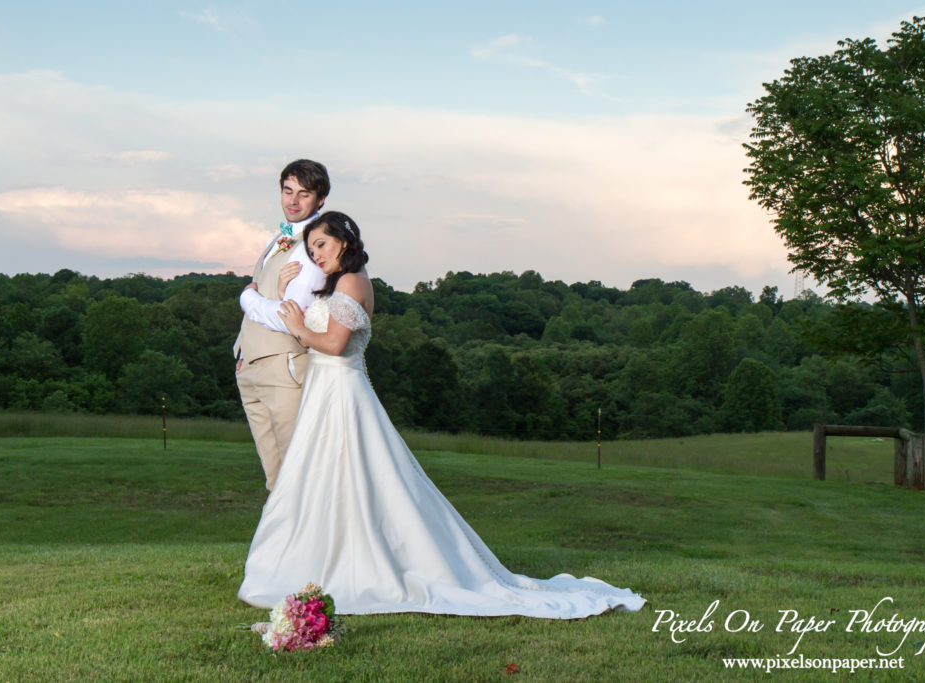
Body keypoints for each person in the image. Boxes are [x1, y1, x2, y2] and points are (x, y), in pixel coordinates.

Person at [237, 211, 645, 618]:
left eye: (321, 245)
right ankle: (318, 558)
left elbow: (336, 343)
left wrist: (297, 327)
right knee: (322, 478)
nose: (317, 255)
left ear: (343, 240)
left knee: (356, 477)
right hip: (323, 393)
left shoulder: (353, 281)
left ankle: (362, 561)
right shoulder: (338, 283)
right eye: (311, 250)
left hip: (342, 393)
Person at [234, 159, 330, 491]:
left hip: (284, 367)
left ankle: (313, 542)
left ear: (320, 200)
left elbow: (289, 317)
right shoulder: (281, 238)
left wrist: (247, 298)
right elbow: (269, 297)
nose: (293, 201)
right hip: (251, 367)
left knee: (296, 476)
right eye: (288, 191)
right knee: (274, 479)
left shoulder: (314, 247)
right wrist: (242, 352)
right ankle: (280, 544)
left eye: (304, 194)